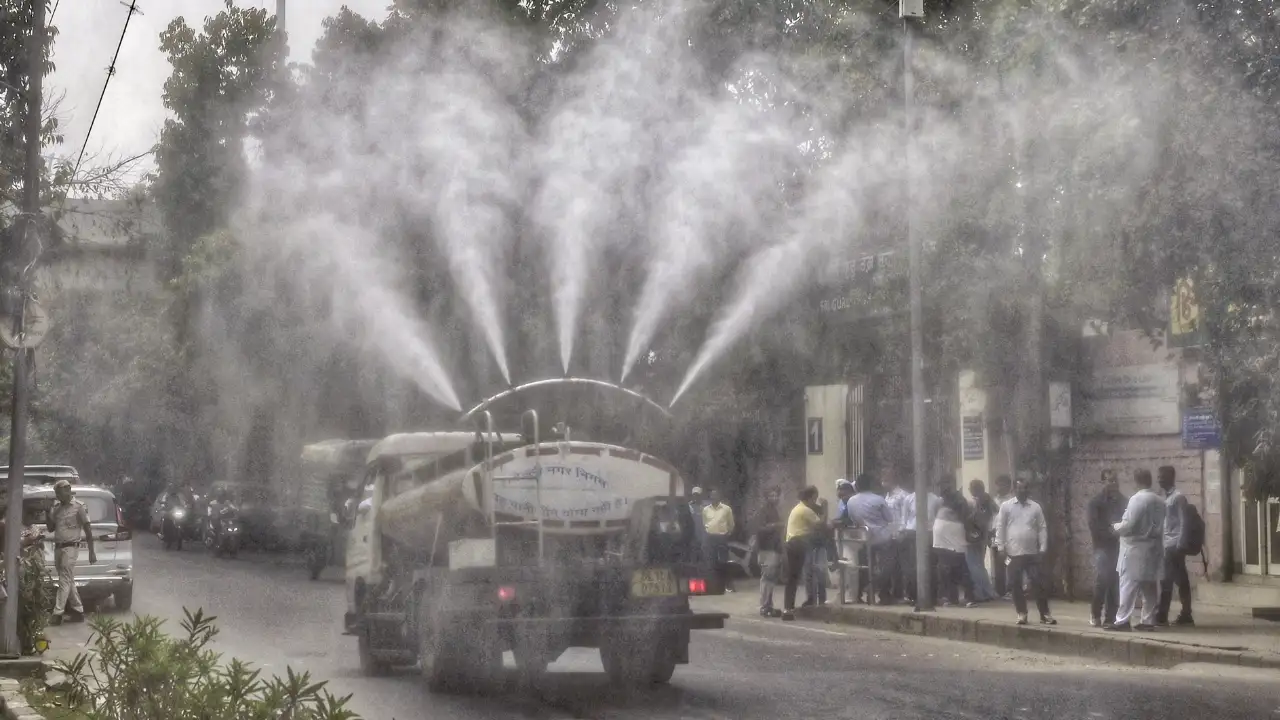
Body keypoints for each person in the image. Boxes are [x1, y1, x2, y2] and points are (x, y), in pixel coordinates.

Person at [1108, 468, 1166, 632]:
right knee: (1149, 586)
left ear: (1137, 481)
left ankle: (1122, 620)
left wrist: (1115, 527)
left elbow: (1129, 524)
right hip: (1153, 547)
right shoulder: (1160, 501)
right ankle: (1148, 620)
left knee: (1128, 585)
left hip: (1134, 548)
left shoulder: (1137, 499)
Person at [995, 479, 1055, 625]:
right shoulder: (1006, 506)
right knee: (1015, 583)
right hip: (1013, 553)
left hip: (1032, 553)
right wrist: (1000, 548)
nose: (1022, 491)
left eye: (1025, 488)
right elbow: (1000, 527)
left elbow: (1042, 528)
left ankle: (1044, 614)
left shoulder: (1035, 507)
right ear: (1014, 490)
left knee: (1038, 583)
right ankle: (1022, 613)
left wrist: (1042, 548)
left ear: (1029, 490)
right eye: (1019, 488)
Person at [47, 480, 95, 624]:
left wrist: (92, 551)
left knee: (64, 579)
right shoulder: (56, 508)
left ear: (68, 490)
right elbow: (50, 528)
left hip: (71, 547)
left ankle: (58, 613)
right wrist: (46, 511)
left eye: (59, 493)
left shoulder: (79, 507)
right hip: (59, 547)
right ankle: (78, 610)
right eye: (56, 493)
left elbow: (88, 529)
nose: (57, 496)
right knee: (68, 580)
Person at [846, 474, 897, 605]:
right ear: (871, 485)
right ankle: (881, 592)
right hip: (882, 538)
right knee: (887, 566)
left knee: (864, 566)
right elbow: (889, 519)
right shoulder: (878, 500)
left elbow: (853, 519)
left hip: (863, 538)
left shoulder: (851, 501)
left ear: (857, 486)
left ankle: (859, 593)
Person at [1087, 470, 1127, 627]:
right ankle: (1095, 612)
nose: (1113, 484)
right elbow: (1093, 525)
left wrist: (1117, 532)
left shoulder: (1123, 501)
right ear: (1103, 482)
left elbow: (1127, 521)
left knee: (1115, 581)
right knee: (1103, 578)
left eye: (1115, 480)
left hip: (1118, 546)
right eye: (1109, 481)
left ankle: (1110, 617)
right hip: (1102, 546)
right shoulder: (1096, 502)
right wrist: (1111, 532)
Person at [1156, 466, 1194, 626]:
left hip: (1174, 545)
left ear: (1171, 477)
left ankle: (1163, 615)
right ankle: (1185, 614)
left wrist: (1181, 544)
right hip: (1167, 545)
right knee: (1178, 579)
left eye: (1162, 476)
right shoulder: (1165, 497)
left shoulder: (1178, 497)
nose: (1159, 479)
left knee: (1168, 580)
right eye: (1158, 477)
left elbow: (1184, 521)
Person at [781, 486, 824, 621]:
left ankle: (788, 608)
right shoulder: (805, 510)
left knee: (792, 577)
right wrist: (825, 508)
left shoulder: (797, 508)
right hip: (798, 543)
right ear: (810, 498)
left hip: (792, 542)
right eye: (814, 498)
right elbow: (820, 524)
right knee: (805, 573)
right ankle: (796, 605)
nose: (815, 501)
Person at [750, 487, 784, 617]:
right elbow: (759, 529)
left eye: (776, 496)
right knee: (767, 578)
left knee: (771, 579)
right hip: (766, 549)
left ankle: (768, 606)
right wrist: (774, 526)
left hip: (774, 548)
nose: (774, 498)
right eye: (771, 496)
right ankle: (765, 606)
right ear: (766, 497)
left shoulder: (774, 510)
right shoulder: (763, 511)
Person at [933, 488, 970, 607]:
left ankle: (951, 597)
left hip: (942, 543)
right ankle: (968, 597)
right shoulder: (961, 509)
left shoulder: (942, 509)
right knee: (960, 571)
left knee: (946, 572)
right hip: (957, 543)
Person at [965, 479, 999, 604]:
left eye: (971, 488)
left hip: (974, 537)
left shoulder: (976, 503)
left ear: (975, 489)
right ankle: (987, 592)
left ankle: (981, 593)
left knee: (974, 566)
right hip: (982, 537)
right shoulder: (988, 501)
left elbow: (974, 519)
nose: (969, 490)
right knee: (979, 565)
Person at [701, 489, 735, 593]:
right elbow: (705, 523)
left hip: (721, 537)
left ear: (719, 497)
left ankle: (727, 585)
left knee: (723, 562)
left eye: (716, 496)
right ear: (709, 497)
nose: (714, 498)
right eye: (712, 496)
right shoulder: (705, 510)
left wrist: (726, 534)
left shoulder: (726, 509)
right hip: (710, 538)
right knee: (711, 562)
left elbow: (731, 524)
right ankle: (713, 586)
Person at [991, 475, 1013, 598]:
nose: (999, 487)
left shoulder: (1012, 501)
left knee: (1008, 562)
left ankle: (1010, 589)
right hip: (995, 536)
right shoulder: (993, 500)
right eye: (998, 484)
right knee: (998, 563)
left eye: (1002, 485)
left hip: (1008, 537)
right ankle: (1000, 591)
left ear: (1008, 486)